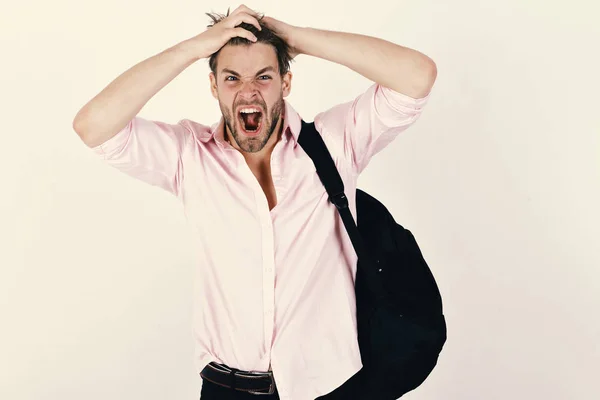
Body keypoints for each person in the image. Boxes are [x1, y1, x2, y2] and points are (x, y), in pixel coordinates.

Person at [72, 4, 437, 399]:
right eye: (231, 78)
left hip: (331, 387)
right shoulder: (189, 156)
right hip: (228, 388)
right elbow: (93, 126)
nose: (248, 91)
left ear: (286, 83)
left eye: (264, 76)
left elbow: (417, 77)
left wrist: (295, 38)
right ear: (213, 87)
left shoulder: (335, 142)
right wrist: (193, 49)